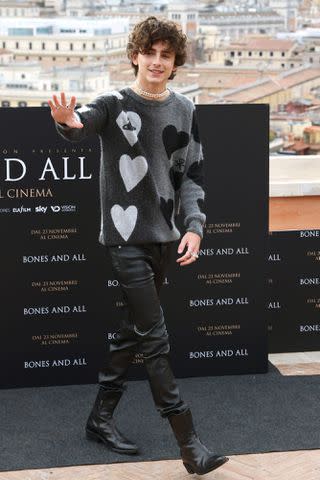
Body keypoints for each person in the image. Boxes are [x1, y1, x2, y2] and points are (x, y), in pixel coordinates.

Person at [49, 15, 228, 476]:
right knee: (155, 337)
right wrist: (68, 121)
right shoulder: (113, 102)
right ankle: (190, 444)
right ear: (135, 55)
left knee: (132, 331)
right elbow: (83, 123)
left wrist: (195, 227)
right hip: (125, 241)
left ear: (175, 62)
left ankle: (99, 419)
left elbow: (192, 175)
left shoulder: (185, 108)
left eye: (165, 55)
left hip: (165, 239)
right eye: (149, 52)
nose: (156, 61)